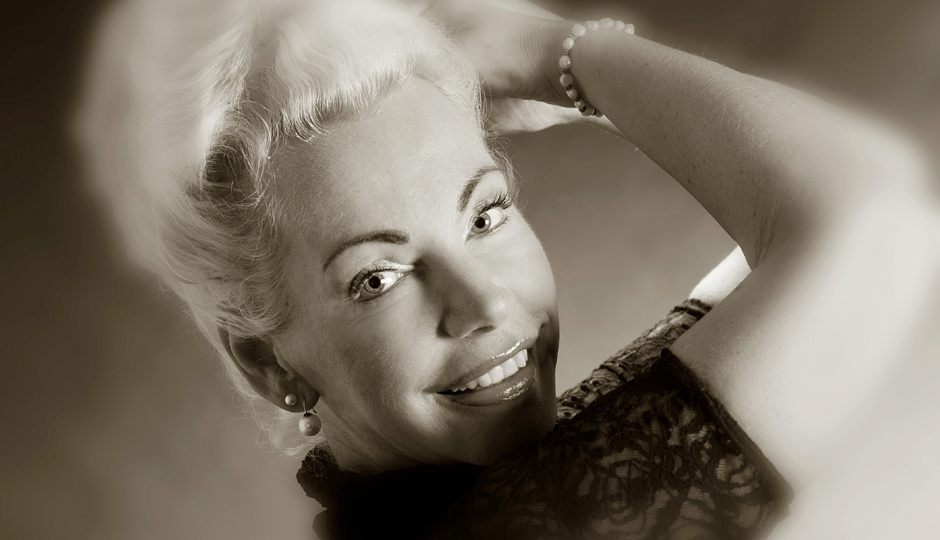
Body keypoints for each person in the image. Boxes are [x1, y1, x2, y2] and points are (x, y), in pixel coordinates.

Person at [77, 0, 939, 538]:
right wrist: (548, 51)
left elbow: (777, 259)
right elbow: (874, 214)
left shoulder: (539, 481)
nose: (484, 302)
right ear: (268, 364)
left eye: (485, 215)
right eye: (378, 277)